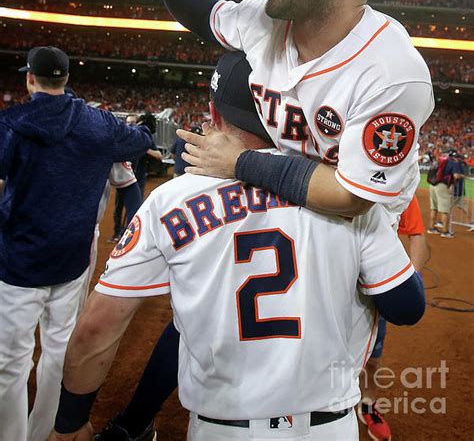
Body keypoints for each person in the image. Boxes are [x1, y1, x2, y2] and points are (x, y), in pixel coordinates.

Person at [47, 52, 425, 441]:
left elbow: (96, 329)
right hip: (330, 425)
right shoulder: (346, 198)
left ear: (212, 112)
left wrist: (71, 421)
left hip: (221, 428)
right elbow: (408, 307)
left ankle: (133, 423)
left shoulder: (169, 200)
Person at [141, 0, 434, 225]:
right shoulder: (265, 20)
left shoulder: (391, 71)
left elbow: (350, 197)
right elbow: (204, 13)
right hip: (284, 187)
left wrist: (241, 162)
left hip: (359, 227)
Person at [0, 46, 154, 441]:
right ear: (66, 80)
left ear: (30, 79)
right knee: (57, 353)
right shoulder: (97, 123)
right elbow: (140, 139)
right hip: (71, 259)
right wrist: (140, 128)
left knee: (9, 364)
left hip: (18, 260)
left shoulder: (12, 124)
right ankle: (41, 434)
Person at [358, 194, 428, 441]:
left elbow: (416, 234)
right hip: (330, 282)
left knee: (373, 359)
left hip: (375, 283)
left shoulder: (399, 188)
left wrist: (412, 281)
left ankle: (367, 403)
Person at [427, 149, 460, 237]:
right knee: (445, 209)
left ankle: (431, 228)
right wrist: (462, 176)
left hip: (432, 185)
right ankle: (445, 231)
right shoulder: (453, 163)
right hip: (442, 186)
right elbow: (456, 176)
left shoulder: (440, 160)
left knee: (433, 207)